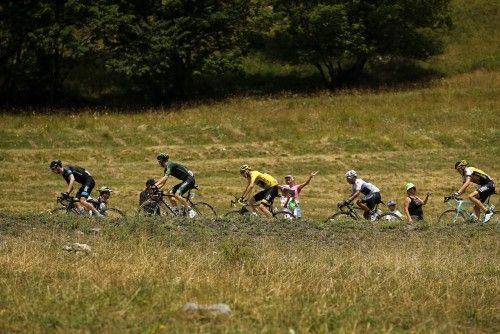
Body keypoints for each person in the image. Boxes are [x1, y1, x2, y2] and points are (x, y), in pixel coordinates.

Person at [154, 153, 196, 217]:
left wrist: (155, 185)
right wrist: (156, 188)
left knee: (177, 194)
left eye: (159, 161)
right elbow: (163, 182)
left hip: (190, 179)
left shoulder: (170, 164)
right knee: (170, 193)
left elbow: (165, 177)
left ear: (162, 161)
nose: (159, 163)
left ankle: (190, 210)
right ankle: (176, 211)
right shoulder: (166, 169)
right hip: (185, 180)